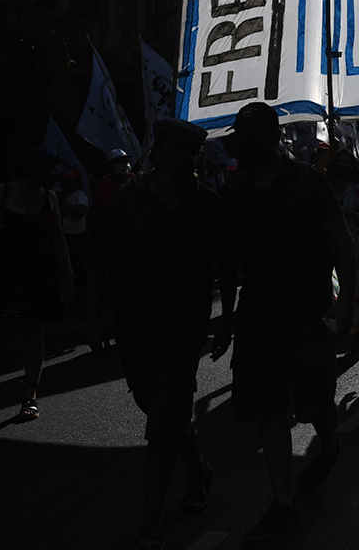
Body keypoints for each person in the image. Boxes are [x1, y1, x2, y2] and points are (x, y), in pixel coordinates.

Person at [88, 120, 237, 550]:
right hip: (134, 329)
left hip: (184, 331)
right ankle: (199, 467)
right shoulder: (126, 201)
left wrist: (227, 318)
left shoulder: (208, 204)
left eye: (191, 153)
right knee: (158, 409)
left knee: (160, 425)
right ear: (156, 155)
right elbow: (98, 259)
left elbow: (227, 264)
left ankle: (149, 525)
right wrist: (93, 318)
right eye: (176, 152)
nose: (185, 160)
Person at [221, 103, 357, 544]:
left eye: (251, 138)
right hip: (258, 318)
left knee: (316, 405)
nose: (243, 146)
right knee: (269, 409)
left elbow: (343, 243)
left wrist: (346, 303)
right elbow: (221, 255)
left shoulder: (308, 181)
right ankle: (283, 505)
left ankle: (328, 446)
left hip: (306, 315)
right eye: (240, 138)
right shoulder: (235, 188)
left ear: (272, 138)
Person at [0, 146, 74, 432]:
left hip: (36, 277)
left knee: (34, 337)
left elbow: (57, 239)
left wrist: (69, 274)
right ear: (36, 168)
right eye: (52, 167)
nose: (56, 173)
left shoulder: (50, 198)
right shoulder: (2, 192)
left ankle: (30, 397)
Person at [326, 148, 359, 334]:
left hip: (352, 243)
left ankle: (358, 324)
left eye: (346, 162)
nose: (342, 165)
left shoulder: (358, 189)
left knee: (355, 284)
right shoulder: (325, 187)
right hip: (328, 244)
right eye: (339, 162)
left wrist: (347, 212)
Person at [57, 169, 90, 305]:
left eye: (70, 181)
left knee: (77, 267)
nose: (66, 184)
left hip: (76, 237)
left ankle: (80, 295)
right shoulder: (57, 194)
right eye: (64, 181)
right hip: (61, 235)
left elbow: (79, 212)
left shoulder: (80, 196)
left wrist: (62, 202)